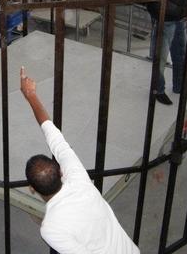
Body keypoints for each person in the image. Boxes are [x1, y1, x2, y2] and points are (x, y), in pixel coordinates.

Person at [20, 67, 140, 254]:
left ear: (32, 189)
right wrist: (31, 94)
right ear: (60, 173)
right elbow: (54, 135)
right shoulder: (77, 178)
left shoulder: (51, 228)